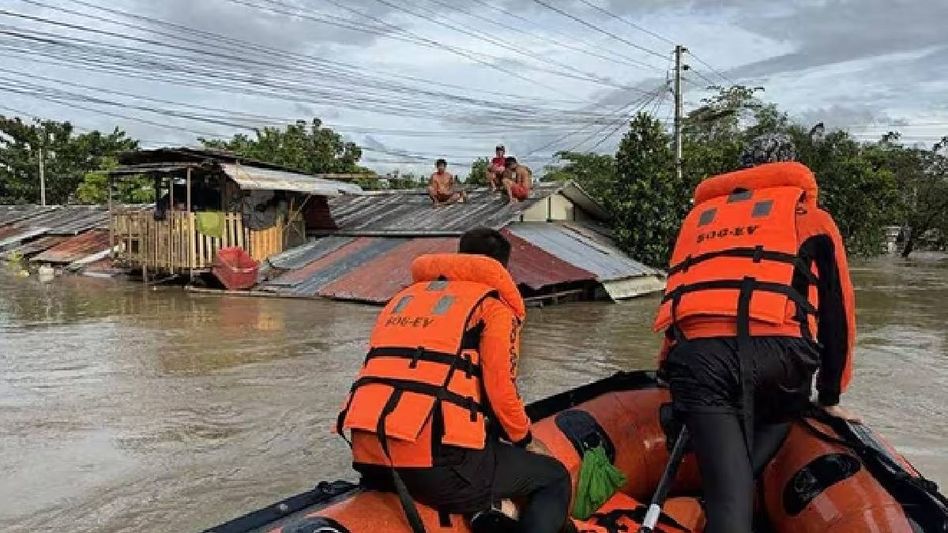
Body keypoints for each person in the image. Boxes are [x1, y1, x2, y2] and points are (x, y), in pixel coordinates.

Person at [653, 134, 857, 533]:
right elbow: (839, 314)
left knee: (728, 493)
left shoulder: (700, 221)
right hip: (781, 360)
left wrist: (667, 372)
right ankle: (732, 490)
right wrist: (830, 395)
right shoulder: (810, 218)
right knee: (786, 408)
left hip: (697, 359)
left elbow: (683, 298)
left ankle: (726, 490)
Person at [337, 227, 572, 533]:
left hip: (369, 456)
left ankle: (485, 513)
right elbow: (501, 391)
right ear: (501, 267)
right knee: (553, 477)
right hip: (434, 466)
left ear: (461, 256)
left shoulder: (405, 299)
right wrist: (526, 441)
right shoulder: (492, 308)